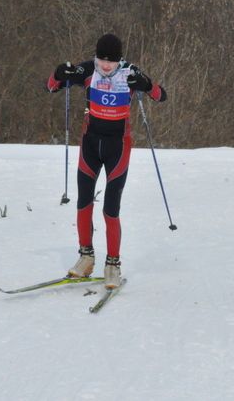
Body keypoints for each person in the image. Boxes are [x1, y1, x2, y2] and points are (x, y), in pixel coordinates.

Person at [46, 34, 167, 288]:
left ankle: (113, 263)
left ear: (119, 59)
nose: (106, 66)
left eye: (111, 61)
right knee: (83, 203)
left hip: (118, 148)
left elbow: (159, 95)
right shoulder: (88, 69)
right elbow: (51, 86)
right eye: (102, 60)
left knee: (110, 209)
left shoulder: (129, 72)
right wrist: (58, 74)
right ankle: (86, 257)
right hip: (90, 143)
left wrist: (144, 83)